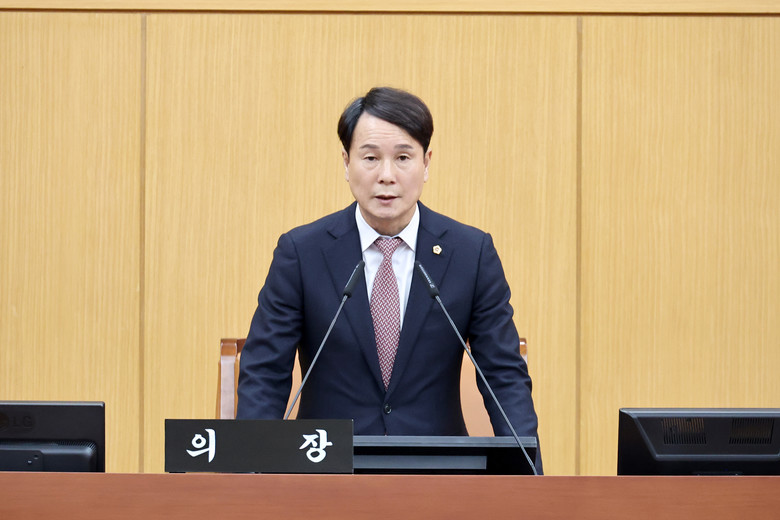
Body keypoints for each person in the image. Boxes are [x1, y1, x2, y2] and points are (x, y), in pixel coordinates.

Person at [236, 86, 542, 473]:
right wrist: (249, 479)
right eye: (370, 158)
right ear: (346, 163)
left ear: (426, 163)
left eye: (402, 158)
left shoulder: (471, 254)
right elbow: (265, 373)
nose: (386, 176)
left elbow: (503, 376)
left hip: (438, 477)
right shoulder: (302, 253)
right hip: (324, 473)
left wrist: (529, 480)